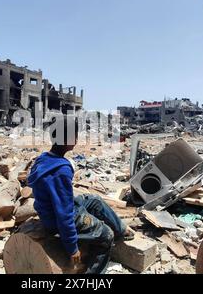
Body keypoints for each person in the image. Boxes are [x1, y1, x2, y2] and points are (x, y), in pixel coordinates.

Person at [28, 116, 134, 274]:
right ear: (71, 139)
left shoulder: (44, 159)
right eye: (76, 135)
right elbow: (64, 215)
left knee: (94, 200)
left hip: (51, 211)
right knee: (107, 236)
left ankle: (121, 229)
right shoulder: (61, 171)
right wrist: (72, 249)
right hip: (56, 220)